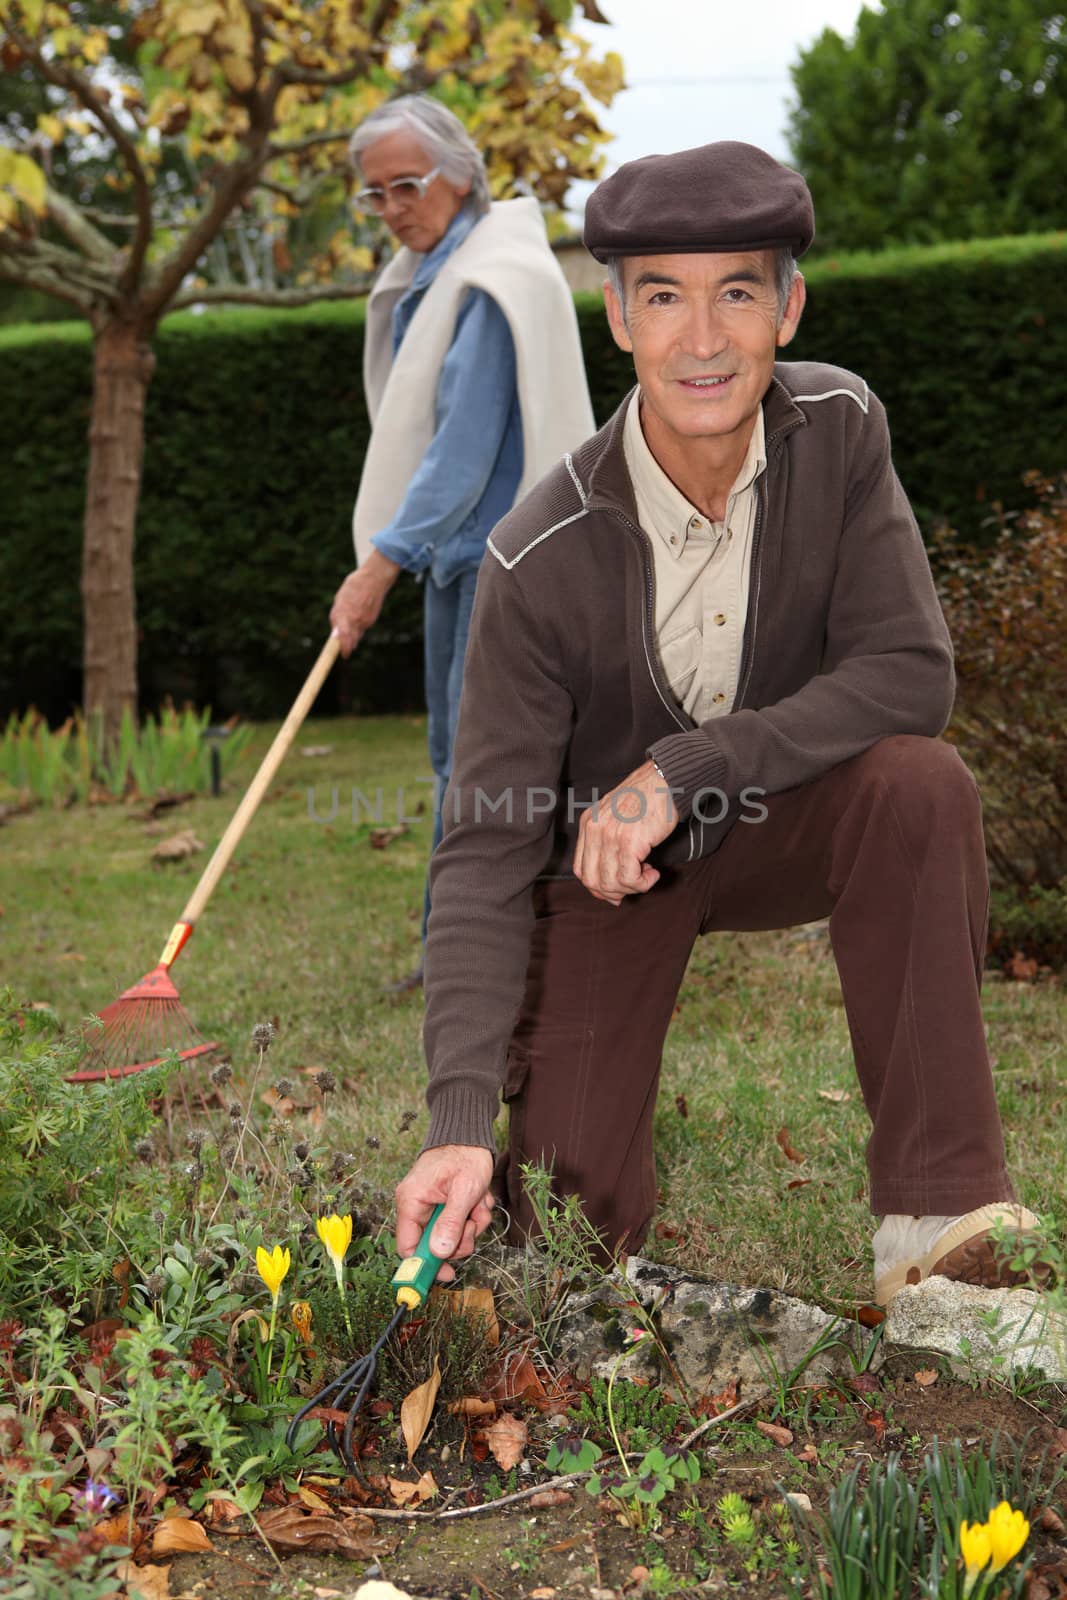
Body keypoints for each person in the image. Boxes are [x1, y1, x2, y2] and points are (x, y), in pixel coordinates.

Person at [393, 140, 1042, 1306]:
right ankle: (566, 1204)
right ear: (616, 318)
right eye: (662, 297)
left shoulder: (838, 430)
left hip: (784, 819)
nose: (701, 339)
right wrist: (457, 1116)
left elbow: (907, 672)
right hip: (601, 877)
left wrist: (690, 765)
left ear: (788, 305)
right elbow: (485, 844)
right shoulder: (534, 556)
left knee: (916, 782)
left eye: (736, 292)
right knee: (567, 1253)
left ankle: (939, 1231)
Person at [330, 95, 595, 989]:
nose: (392, 208)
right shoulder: (443, 269)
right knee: (459, 761)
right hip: (458, 556)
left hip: (506, 560)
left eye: (406, 185)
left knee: (488, 766)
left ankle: (480, 958)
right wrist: (411, 550)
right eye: (375, 195)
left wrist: (379, 562)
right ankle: (455, 951)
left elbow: (465, 445)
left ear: (461, 174)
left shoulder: (496, 276)